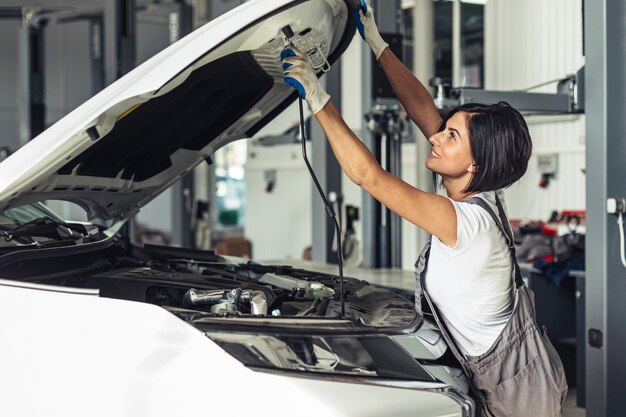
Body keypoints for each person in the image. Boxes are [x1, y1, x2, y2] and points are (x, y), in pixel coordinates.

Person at [281, 2, 567, 416]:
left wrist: (318, 97)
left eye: (451, 136)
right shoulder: (475, 188)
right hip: (498, 376)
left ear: (474, 164)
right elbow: (422, 108)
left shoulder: (466, 224)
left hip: (519, 399)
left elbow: (370, 177)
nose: (436, 138)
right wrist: (378, 44)